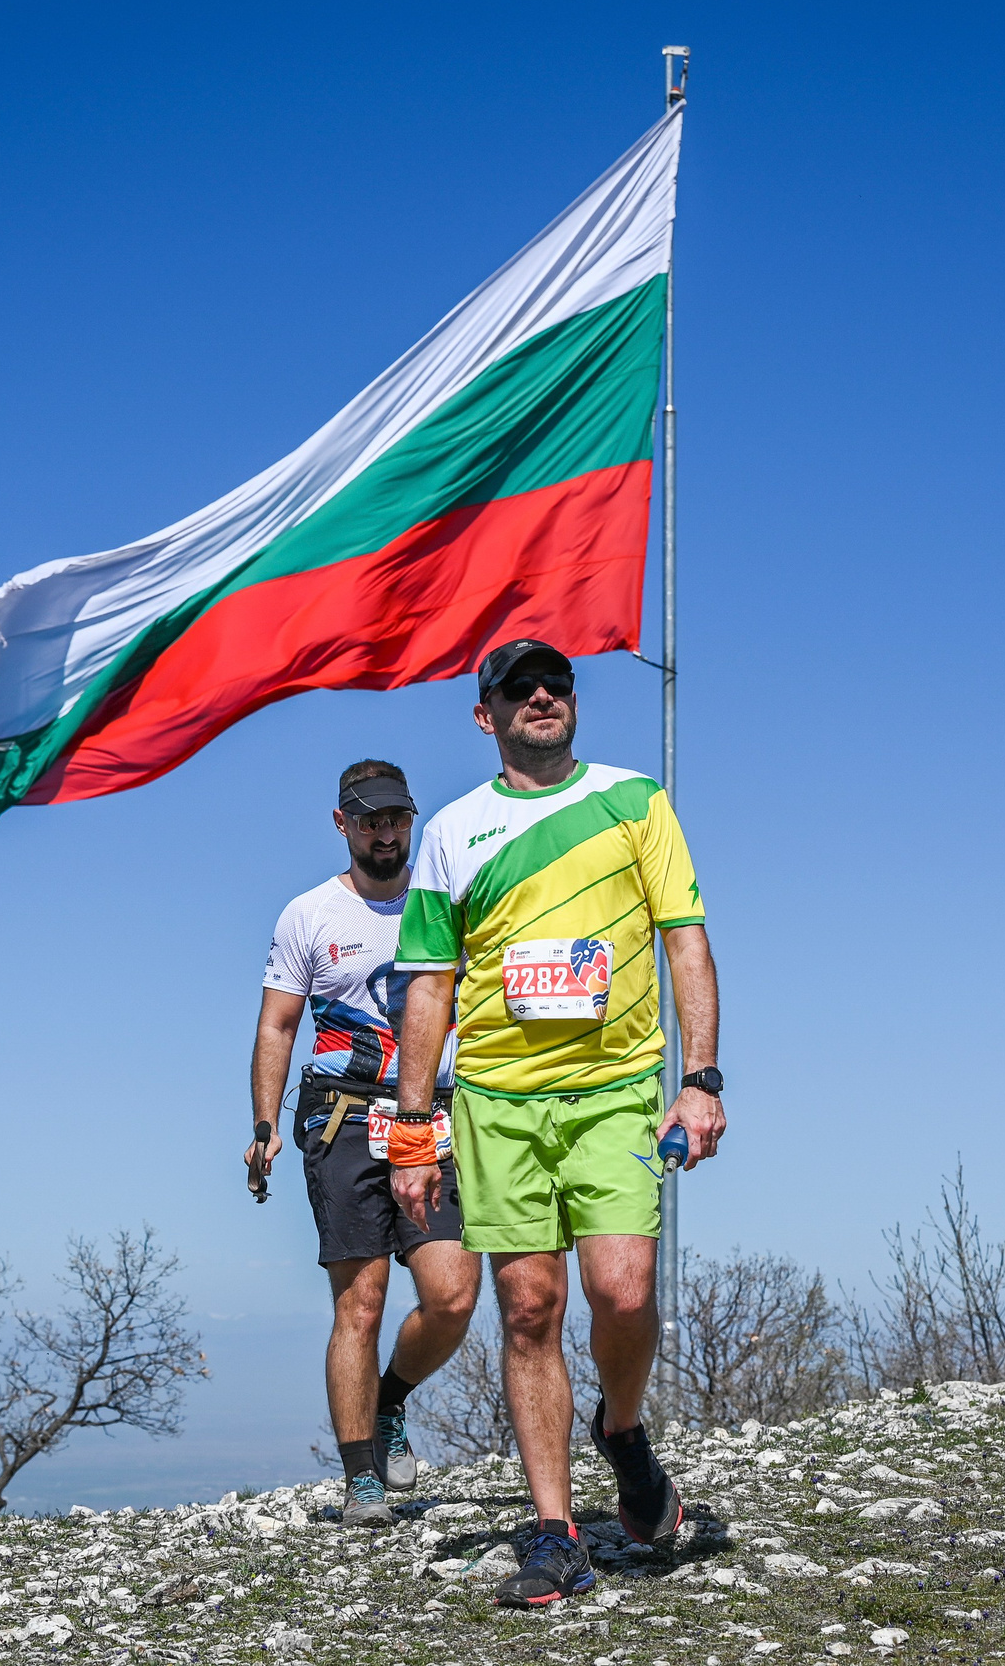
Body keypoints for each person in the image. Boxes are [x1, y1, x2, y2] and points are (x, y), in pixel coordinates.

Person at [389, 641, 726, 1608]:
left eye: (557, 683)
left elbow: (686, 942)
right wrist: (416, 1126)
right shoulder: (452, 830)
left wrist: (698, 1078)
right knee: (529, 1310)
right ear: (484, 714)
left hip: (616, 1088)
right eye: (518, 688)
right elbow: (429, 985)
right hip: (495, 1100)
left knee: (622, 1292)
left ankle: (621, 1430)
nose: (543, 696)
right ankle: (555, 1531)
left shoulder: (635, 800)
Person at [246, 760, 482, 1528]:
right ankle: (361, 1483)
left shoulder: (445, 904)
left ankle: (388, 1401)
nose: (385, 831)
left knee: (451, 1294)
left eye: (397, 818)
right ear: (342, 822)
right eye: (370, 818)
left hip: (435, 1115)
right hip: (342, 1115)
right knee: (362, 1298)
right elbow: (278, 1025)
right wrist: (263, 1127)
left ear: (412, 821)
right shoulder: (308, 914)